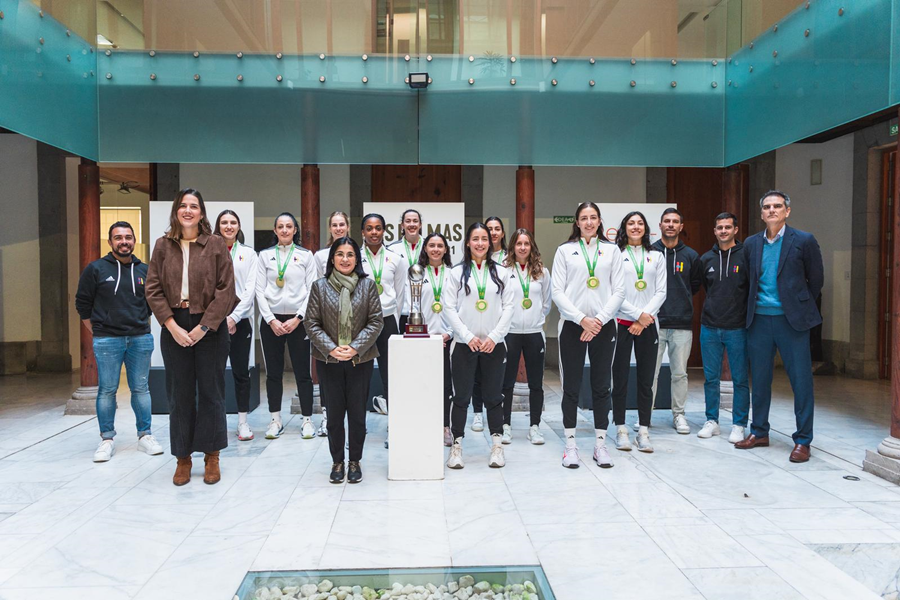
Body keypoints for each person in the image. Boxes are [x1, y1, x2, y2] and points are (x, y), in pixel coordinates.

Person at [145, 188, 235, 486]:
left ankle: (212, 455)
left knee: (211, 392)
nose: (188, 210)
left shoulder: (217, 245)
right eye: (182, 206)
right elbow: (153, 289)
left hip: (209, 326)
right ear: (176, 211)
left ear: (201, 212)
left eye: (193, 206)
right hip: (175, 324)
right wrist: (171, 325)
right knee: (179, 393)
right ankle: (183, 458)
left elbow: (226, 291)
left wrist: (204, 326)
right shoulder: (162, 246)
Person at [736, 191, 823, 463]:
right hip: (759, 320)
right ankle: (760, 431)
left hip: (792, 321)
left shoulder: (804, 240)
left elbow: (816, 280)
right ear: (761, 213)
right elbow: (749, 281)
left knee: (801, 381)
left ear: (787, 211)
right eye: (767, 207)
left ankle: (803, 440)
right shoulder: (751, 244)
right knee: (760, 380)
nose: (772, 210)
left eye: (777, 206)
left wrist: (796, 304)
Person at [75, 221, 163, 463]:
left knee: (141, 388)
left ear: (134, 240)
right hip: (107, 341)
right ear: (110, 241)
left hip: (140, 339)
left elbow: (155, 303)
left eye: (128, 237)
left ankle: (145, 435)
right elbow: (83, 305)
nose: (124, 241)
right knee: (107, 390)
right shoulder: (95, 269)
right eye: (118, 237)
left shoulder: (145, 270)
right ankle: (106, 439)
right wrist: (99, 332)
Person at [305, 236, 383, 484]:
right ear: (332, 258)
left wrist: (354, 348)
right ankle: (337, 461)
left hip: (360, 360)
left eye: (350, 254)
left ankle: (355, 461)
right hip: (329, 361)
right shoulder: (320, 286)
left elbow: (376, 321)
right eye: (340, 254)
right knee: (335, 415)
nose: (345, 259)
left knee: (358, 414)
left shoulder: (368, 286)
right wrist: (331, 348)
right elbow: (311, 323)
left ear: (357, 259)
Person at [552, 203, 625, 468]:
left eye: (593, 217)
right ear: (577, 222)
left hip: (604, 327)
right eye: (584, 218)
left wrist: (599, 321)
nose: (589, 222)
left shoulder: (612, 250)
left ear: (600, 221)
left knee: (602, 385)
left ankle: (600, 444)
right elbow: (557, 291)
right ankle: (570, 445)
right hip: (573, 326)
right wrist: (582, 319)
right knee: (570, 386)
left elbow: (619, 290)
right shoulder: (565, 251)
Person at [444, 223, 515, 470]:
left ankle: (496, 446)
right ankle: (457, 447)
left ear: (490, 242)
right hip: (465, 345)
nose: (480, 243)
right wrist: (466, 335)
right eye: (475, 239)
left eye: (484, 238)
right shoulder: (455, 273)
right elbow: (448, 308)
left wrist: (494, 336)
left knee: (494, 397)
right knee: (461, 397)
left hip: (493, 346)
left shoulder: (503, 272)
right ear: (467, 243)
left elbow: (509, 307)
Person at [256, 213, 318, 440]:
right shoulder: (264, 256)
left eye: (289, 226)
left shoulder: (305, 255)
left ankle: (307, 420)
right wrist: (271, 320)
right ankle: (275, 419)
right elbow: (258, 290)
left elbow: (312, 289)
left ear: (295, 230)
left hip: (298, 322)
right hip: (271, 321)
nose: (284, 230)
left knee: (303, 373)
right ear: (274, 230)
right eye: (280, 226)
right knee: (273, 373)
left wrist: (299, 318)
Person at [611, 211, 667, 453]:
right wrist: (637, 316)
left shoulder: (656, 256)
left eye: (640, 223)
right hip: (622, 325)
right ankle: (621, 429)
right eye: (631, 223)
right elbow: (614, 293)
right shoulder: (616, 256)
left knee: (646, 380)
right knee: (620, 380)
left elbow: (661, 292)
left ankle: (643, 430)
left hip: (647, 326)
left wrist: (644, 319)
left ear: (646, 228)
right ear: (624, 228)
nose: (636, 227)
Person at [697, 212, 750, 443]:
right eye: (720, 227)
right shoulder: (705, 259)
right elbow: (706, 288)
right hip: (710, 326)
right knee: (710, 378)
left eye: (728, 227)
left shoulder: (746, 256)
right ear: (715, 231)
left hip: (737, 327)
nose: (724, 231)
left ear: (736, 230)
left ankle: (739, 424)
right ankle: (712, 421)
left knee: (739, 379)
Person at [649, 208, 702, 434]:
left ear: (681, 227)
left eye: (675, 222)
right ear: (659, 225)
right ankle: (645, 415)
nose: (671, 225)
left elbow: (695, 285)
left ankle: (679, 415)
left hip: (681, 324)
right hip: (654, 323)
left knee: (679, 373)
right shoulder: (649, 252)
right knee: (650, 372)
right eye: (666, 221)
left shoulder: (691, 255)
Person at [501, 229, 552, 446]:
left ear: (532, 247)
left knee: (535, 384)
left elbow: (547, 303)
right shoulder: (504, 270)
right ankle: (505, 426)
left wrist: (535, 319)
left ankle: (535, 427)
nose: (523, 247)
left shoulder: (542, 272)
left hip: (533, 334)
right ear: (512, 246)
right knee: (506, 383)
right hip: (510, 334)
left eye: (527, 243)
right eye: (519, 243)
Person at [214, 210, 259, 442]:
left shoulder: (249, 254)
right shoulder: (209, 250)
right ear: (218, 226)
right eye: (224, 222)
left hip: (241, 322)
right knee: (214, 374)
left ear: (239, 226)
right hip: (214, 322)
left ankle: (242, 422)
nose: (229, 226)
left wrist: (234, 318)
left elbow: (250, 289)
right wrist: (222, 318)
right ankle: (217, 421)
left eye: (233, 222)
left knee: (241, 373)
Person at [359, 214, 405, 418]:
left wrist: (392, 319)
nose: (374, 232)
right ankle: (358, 425)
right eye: (369, 228)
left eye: (378, 228)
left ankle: (392, 426)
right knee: (360, 374)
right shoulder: (354, 257)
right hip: (362, 322)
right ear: (362, 232)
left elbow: (400, 294)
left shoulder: (395, 259)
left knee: (390, 374)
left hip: (387, 321)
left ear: (384, 231)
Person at [313, 211, 351, 437]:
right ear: (330, 228)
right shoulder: (320, 256)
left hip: (351, 319)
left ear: (348, 226)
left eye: (342, 224)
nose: (338, 228)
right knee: (328, 369)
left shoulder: (356, 252)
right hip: (329, 319)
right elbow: (319, 286)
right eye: (334, 225)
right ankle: (327, 415)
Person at [416, 232, 456, 447]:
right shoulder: (417, 273)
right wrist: (426, 335)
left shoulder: (454, 274)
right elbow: (412, 307)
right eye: (431, 245)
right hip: (424, 338)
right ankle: (425, 424)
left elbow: (458, 307)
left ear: (446, 249)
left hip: (449, 339)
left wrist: (449, 333)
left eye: (440, 245)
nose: (436, 249)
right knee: (424, 384)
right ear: (425, 249)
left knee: (446, 386)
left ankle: (445, 427)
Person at [469, 215, 508, 432]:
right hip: (474, 330)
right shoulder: (464, 268)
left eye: (496, 229)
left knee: (496, 380)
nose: (493, 233)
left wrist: (497, 332)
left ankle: (499, 424)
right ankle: (476, 414)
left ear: (501, 234)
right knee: (475, 376)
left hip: (499, 328)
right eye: (488, 229)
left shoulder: (507, 261)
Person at [388, 208, 423, 333]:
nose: (412, 224)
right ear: (402, 225)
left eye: (415, 221)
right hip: (401, 311)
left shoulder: (429, 247)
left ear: (420, 224)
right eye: (408, 221)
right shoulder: (392, 249)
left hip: (425, 311)